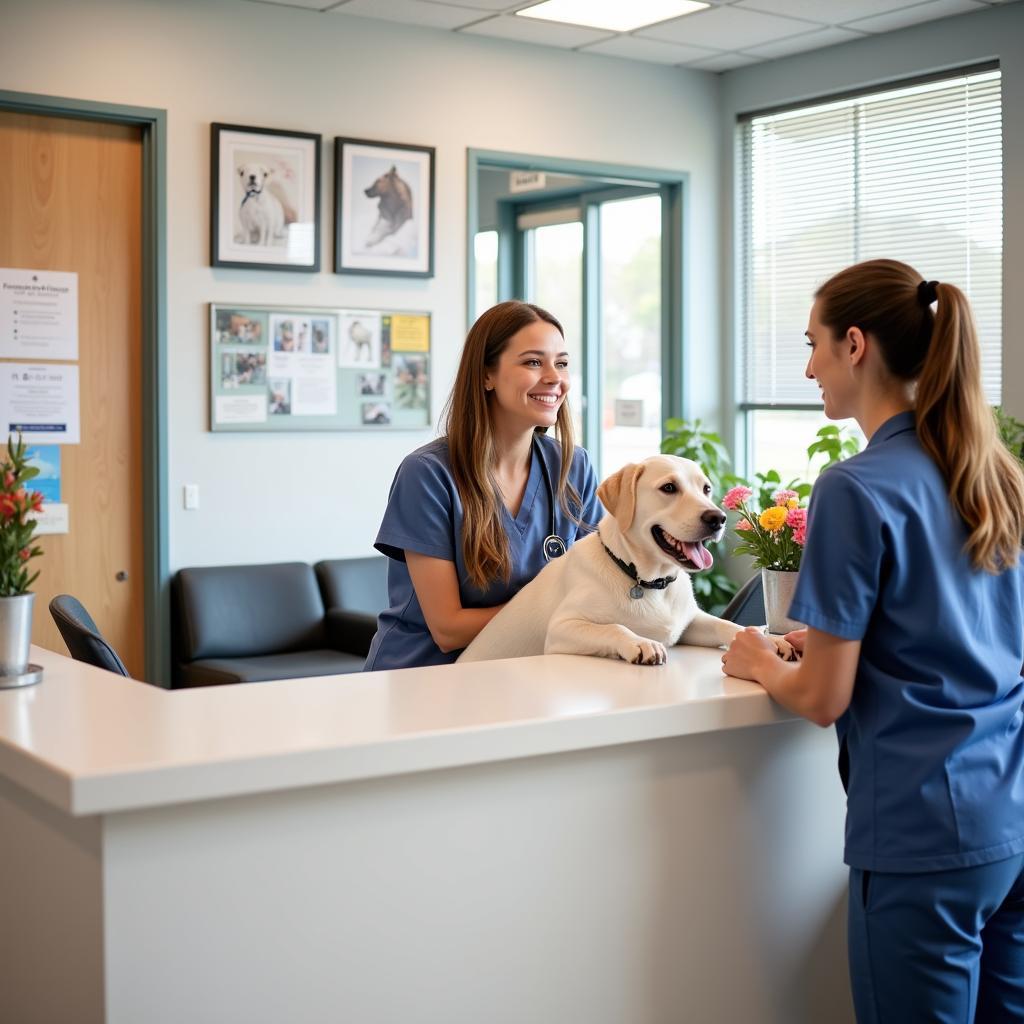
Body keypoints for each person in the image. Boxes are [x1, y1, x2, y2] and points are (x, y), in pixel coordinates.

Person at [722, 259, 1024, 1023]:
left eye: (814, 343)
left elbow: (824, 697)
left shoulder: (855, 487)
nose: (807, 366)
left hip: (923, 837)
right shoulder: (996, 474)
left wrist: (760, 657)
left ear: (855, 345)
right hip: (1011, 820)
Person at [364, 301, 601, 671]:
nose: (555, 377)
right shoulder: (427, 474)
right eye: (533, 362)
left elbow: (602, 584)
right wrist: (562, 611)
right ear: (486, 375)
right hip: (426, 679)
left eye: (563, 362)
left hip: (526, 673)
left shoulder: (572, 467)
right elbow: (448, 629)